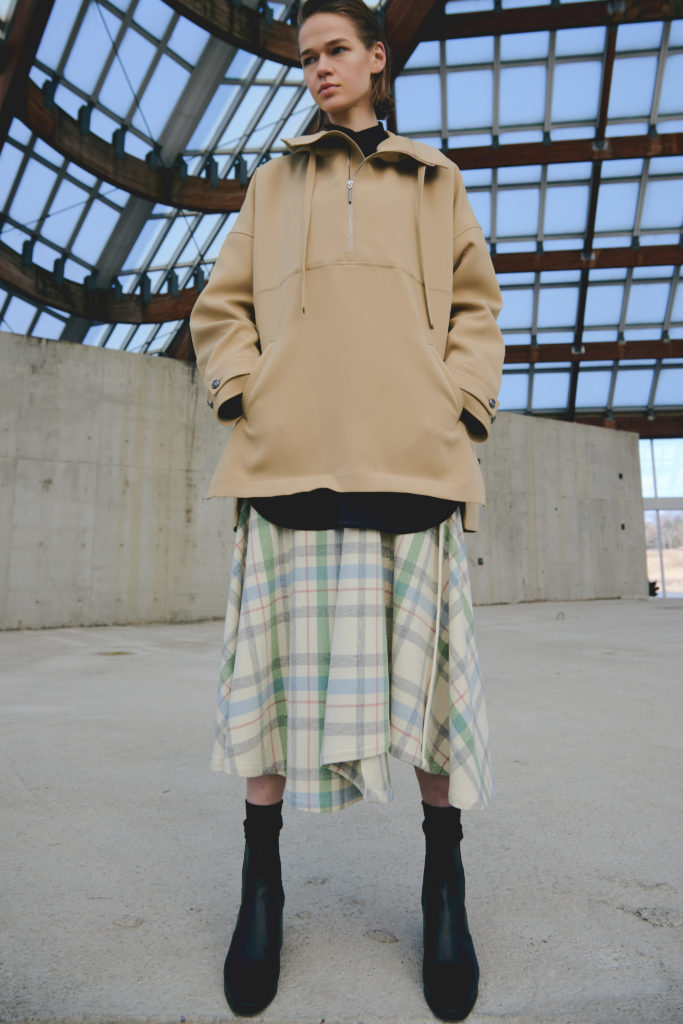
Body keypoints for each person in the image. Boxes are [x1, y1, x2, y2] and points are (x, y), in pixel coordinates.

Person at [190, 1, 504, 1019]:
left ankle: (443, 885)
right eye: (305, 57)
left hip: (414, 461)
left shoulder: (436, 179)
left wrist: (457, 403)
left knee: (435, 701)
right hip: (289, 460)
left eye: (335, 51)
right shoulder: (272, 182)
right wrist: (247, 391)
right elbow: (219, 308)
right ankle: (261, 885)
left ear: (375, 57)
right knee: (268, 691)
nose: (318, 68)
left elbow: (476, 306)